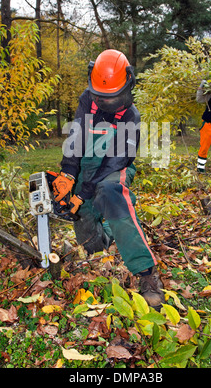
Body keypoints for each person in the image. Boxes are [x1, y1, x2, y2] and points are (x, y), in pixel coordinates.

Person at [52, 49, 164, 310]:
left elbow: (115, 161)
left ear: (127, 85)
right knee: (80, 216)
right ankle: (104, 241)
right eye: (102, 97)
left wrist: (85, 190)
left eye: (113, 97)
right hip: (88, 162)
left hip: (114, 167)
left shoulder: (130, 116)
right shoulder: (86, 99)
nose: (107, 102)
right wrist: (68, 173)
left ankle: (146, 274)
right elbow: (76, 136)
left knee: (109, 194)